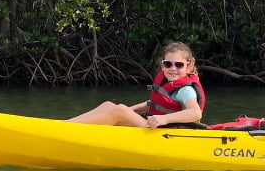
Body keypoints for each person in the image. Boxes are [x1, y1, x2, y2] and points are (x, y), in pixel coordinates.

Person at [66, 42, 205, 128]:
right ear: (162, 66)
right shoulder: (168, 84)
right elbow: (152, 103)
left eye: (179, 65)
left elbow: (195, 112)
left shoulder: (186, 90)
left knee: (118, 110)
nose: (172, 68)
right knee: (109, 106)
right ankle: (65, 125)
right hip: (154, 126)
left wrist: (164, 119)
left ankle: (66, 128)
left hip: (165, 131)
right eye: (168, 64)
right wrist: (128, 111)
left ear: (188, 67)